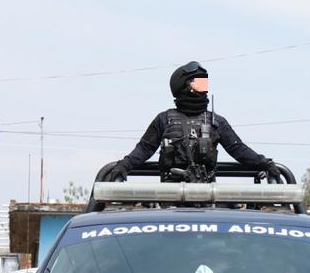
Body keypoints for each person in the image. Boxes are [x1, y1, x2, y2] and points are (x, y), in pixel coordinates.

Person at [107, 61, 273, 182]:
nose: (203, 88)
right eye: (198, 83)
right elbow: (144, 148)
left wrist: (265, 163)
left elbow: (237, 148)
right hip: (169, 196)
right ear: (182, 85)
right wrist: (124, 165)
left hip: (208, 195)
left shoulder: (217, 122)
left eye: (204, 84)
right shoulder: (164, 120)